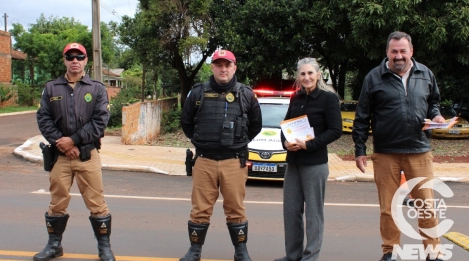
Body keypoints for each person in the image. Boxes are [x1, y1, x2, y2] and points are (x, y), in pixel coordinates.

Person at [352, 31, 445, 261]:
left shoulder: (426, 74)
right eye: (394, 51)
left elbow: (433, 102)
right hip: (385, 154)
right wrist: (360, 150)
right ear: (387, 53)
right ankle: (390, 252)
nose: (399, 56)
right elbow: (362, 116)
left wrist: (437, 116)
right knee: (388, 209)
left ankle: (433, 252)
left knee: (426, 206)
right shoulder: (373, 78)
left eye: (403, 51)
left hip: (419, 151)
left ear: (411, 51)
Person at [35, 42, 115, 261]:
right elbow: (43, 118)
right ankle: (54, 246)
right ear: (64, 60)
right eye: (70, 57)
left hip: (87, 155)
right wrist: (60, 142)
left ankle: (104, 247)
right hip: (60, 157)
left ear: (86, 60)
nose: (75, 61)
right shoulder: (51, 88)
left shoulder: (97, 88)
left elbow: (100, 121)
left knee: (97, 203)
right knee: (57, 202)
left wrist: (74, 140)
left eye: (79, 57)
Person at [180, 49, 262, 261]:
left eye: (227, 65)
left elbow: (255, 126)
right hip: (204, 160)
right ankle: (194, 251)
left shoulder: (246, 94)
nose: (223, 69)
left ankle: (241, 252)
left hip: (234, 162)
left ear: (234, 67)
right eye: (219, 64)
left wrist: (235, 144)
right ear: (212, 67)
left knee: (235, 209)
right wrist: (203, 143)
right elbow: (187, 123)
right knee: (200, 209)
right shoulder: (197, 93)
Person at [275, 57, 342, 261]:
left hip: (315, 163)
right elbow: (285, 126)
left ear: (318, 74)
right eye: (302, 74)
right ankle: (292, 255)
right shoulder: (295, 98)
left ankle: (310, 256)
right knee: (291, 212)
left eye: (310, 73)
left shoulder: (328, 98)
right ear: (298, 76)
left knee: (314, 214)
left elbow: (335, 130)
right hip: (294, 162)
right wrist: (285, 143)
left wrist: (310, 144)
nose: (306, 77)